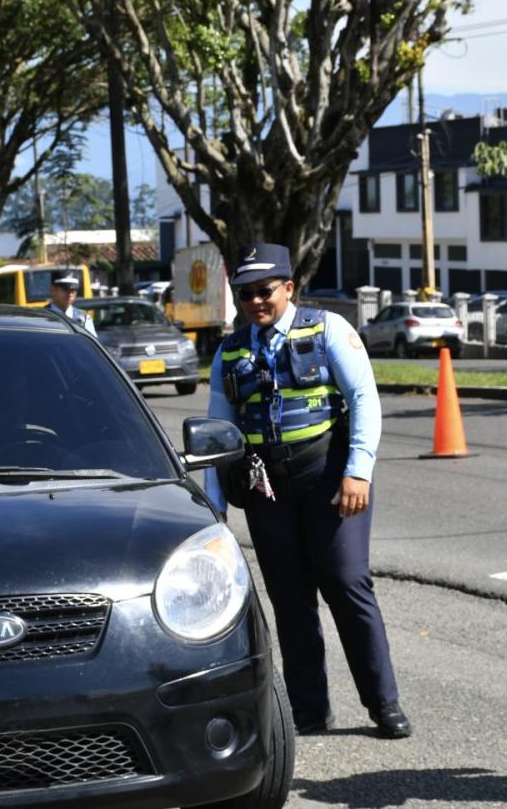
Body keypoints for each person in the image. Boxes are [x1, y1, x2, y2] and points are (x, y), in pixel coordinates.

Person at [204, 243, 411, 740]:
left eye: (265, 290)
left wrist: (358, 472)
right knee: (290, 598)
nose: (256, 301)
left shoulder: (328, 329)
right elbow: (217, 431)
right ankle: (310, 710)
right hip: (265, 487)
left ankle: (383, 703)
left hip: (329, 478)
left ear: (289, 288)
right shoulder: (230, 352)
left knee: (347, 583)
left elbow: (364, 398)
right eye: (245, 293)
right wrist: (214, 506)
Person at [46, 269, 96, 337]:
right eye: (65, 290)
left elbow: (90, 342)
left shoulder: (84, 319)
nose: (70, 294)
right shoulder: (41, 317)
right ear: (52, 290)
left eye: (73, 290)